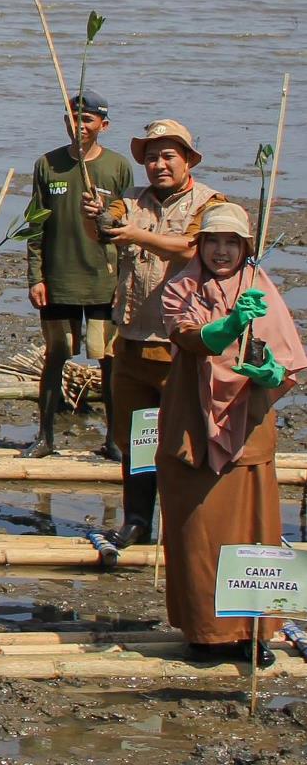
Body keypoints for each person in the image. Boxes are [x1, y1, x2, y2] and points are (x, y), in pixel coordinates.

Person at [157, 201, 301, 666]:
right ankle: (203, 632)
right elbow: (189, 338)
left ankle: (252, 632)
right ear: (199, 246)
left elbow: (286, 363)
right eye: (213, 241)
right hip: (191, 426)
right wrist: (231, 323)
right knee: (195, 531)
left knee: (251, 531)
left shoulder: (261, 289)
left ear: (245, 247)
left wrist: (268, 370)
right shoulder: (180, 287)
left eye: (231, 243)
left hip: (248, 428)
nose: (221, 251)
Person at [81, 119, 219, 563]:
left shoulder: (210, 203)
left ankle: (188, 521)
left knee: (185, 439)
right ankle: (137, 519)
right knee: (136, 439)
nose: (159, 165)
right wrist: (94, 219)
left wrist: (137, 235)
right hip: (133, 340)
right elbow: (106, 231)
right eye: (152, 157)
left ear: (188, 160)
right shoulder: (130, 203)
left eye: (168, 156)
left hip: (183, 346)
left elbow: (192, 250)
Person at [21, 92, 133, 457]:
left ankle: (114, 439)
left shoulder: (116, 167)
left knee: (108, 358)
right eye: (72, 118)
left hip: (104, 280)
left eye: (87, 120)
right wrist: (35, 276)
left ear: (103, 125)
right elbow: (35, 225)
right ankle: (45, 437)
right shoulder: (47, 165)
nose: (79, 126)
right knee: (57, 354)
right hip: (58, 278)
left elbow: (129, 222)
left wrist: (124, 282)